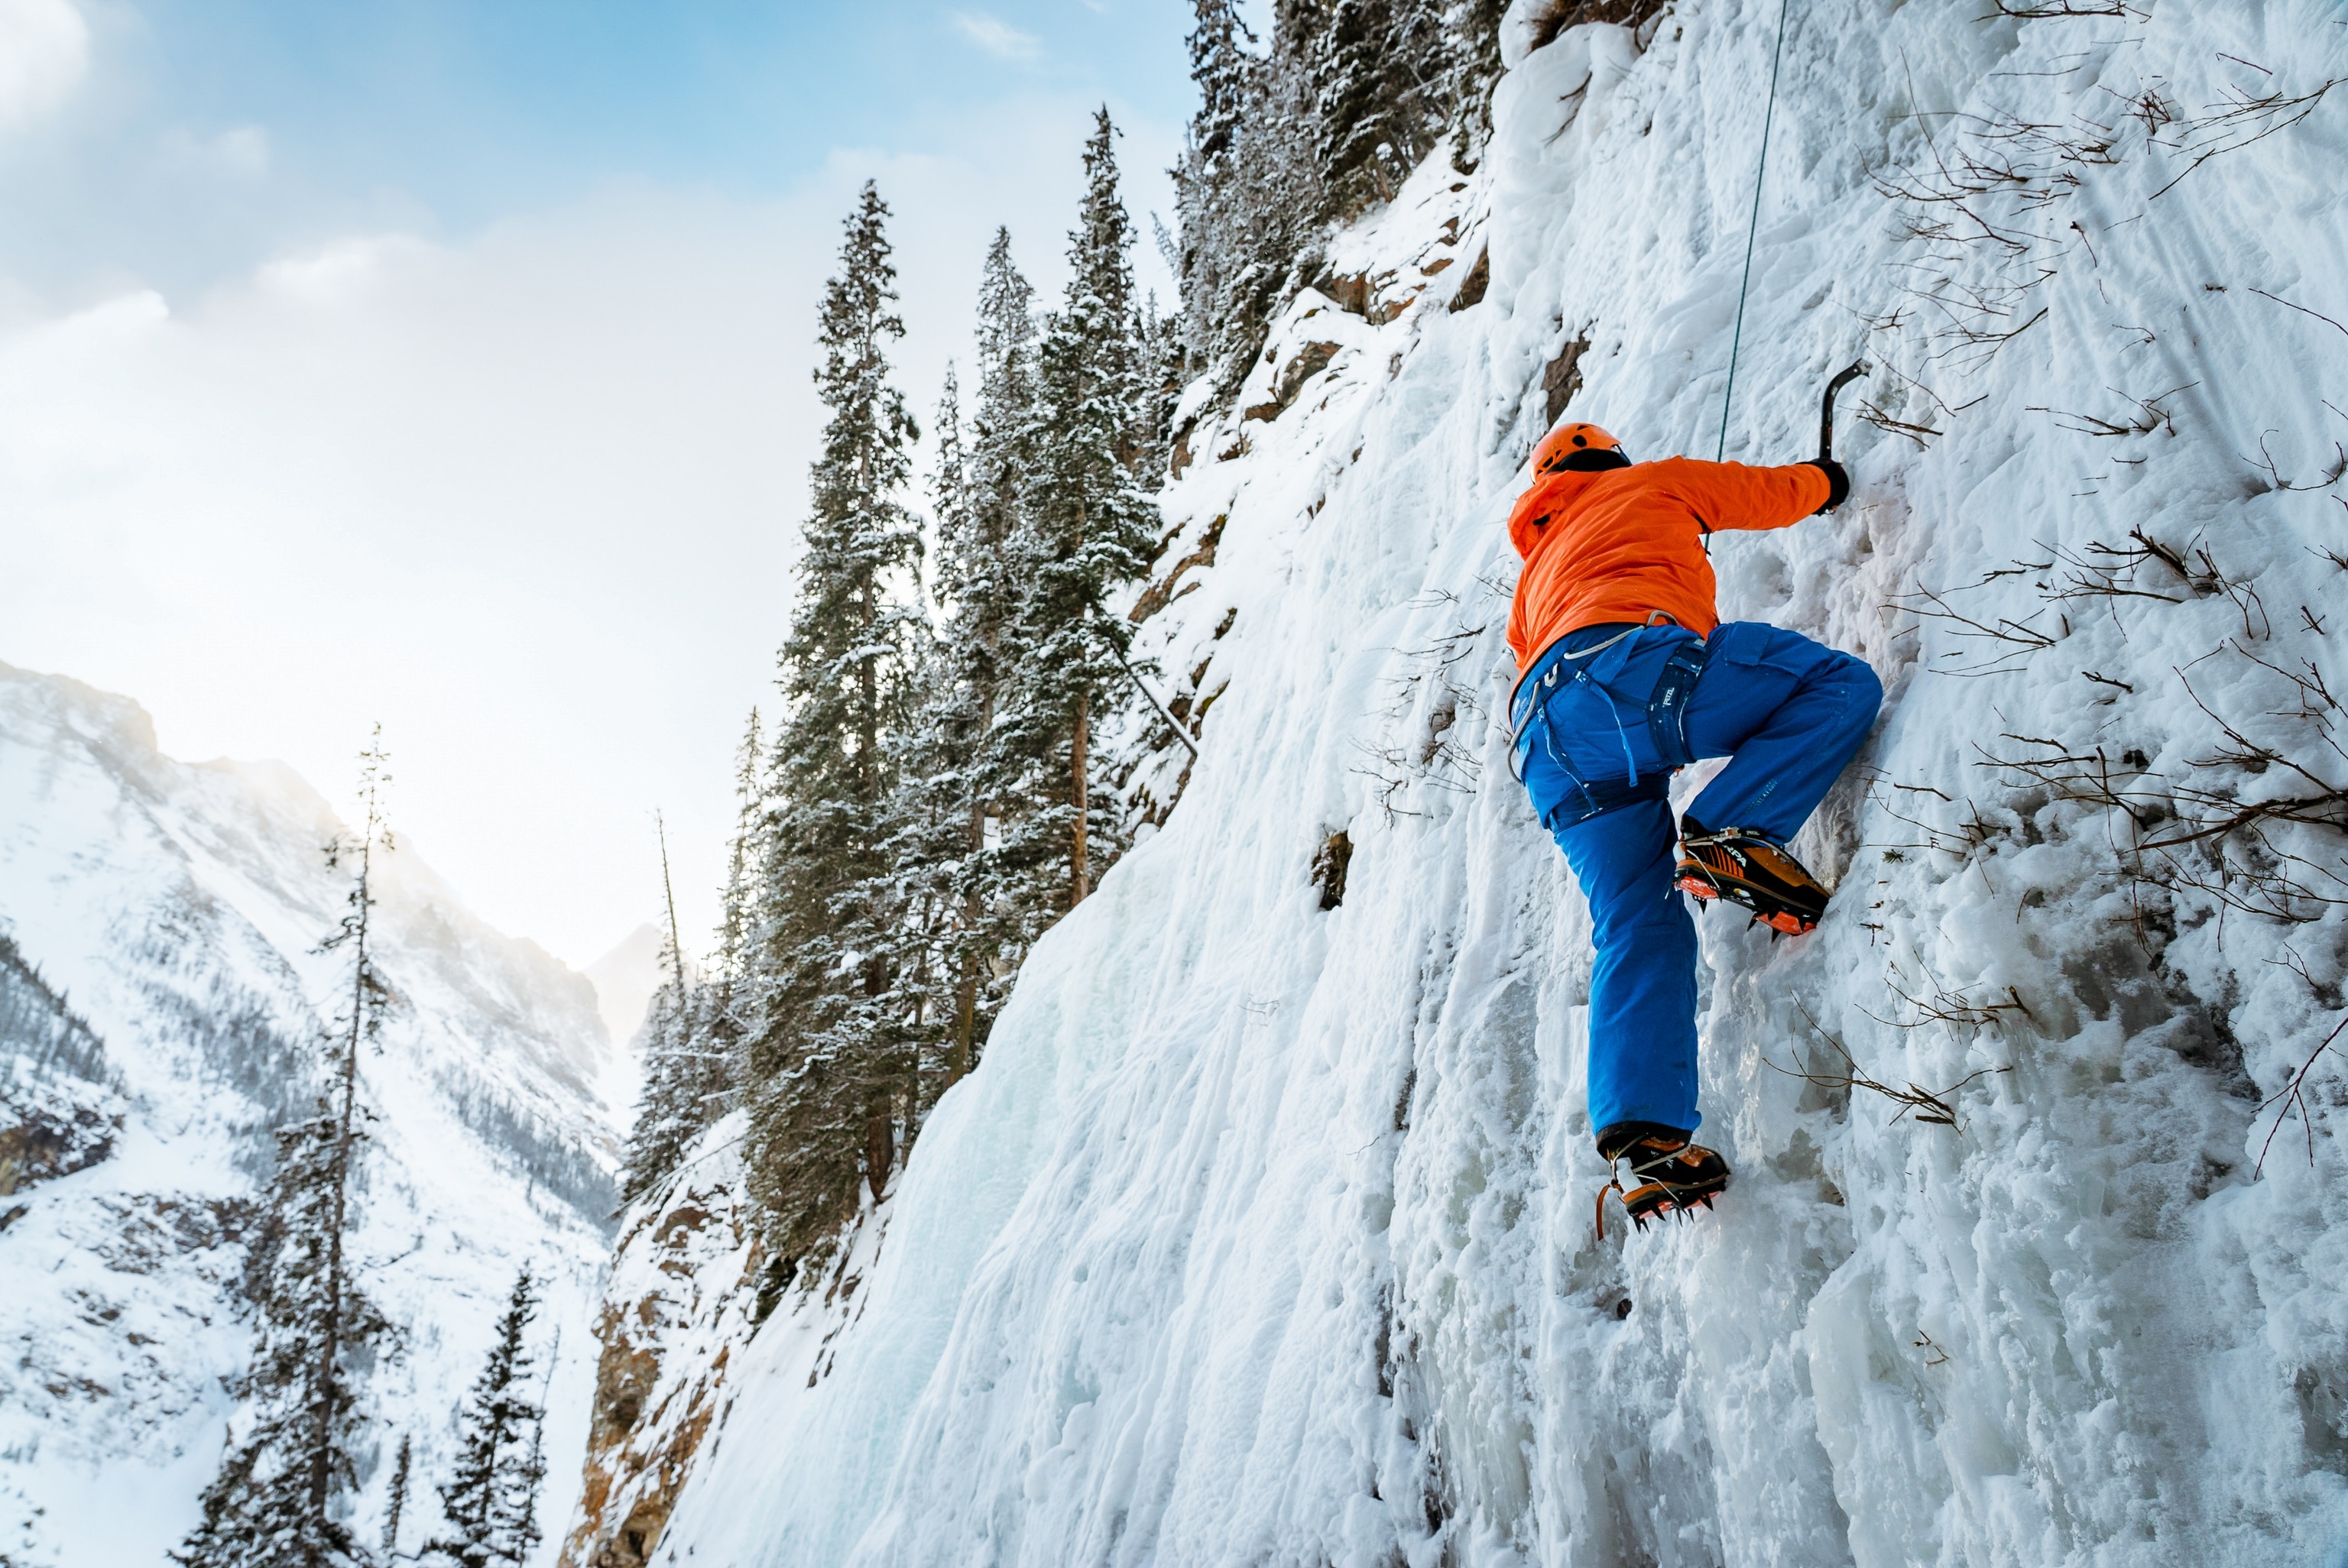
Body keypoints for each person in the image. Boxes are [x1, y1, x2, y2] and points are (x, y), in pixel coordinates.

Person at [1506, 420, 1881, 1232]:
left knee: (1637, 925)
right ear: (1612, 463)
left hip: (1545, 742)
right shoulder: (1649, 484)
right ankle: (1735, 833)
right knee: (1837, 686)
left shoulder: (1534, 574)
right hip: (1627, 675)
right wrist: (1827, 481)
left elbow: (1531, 655)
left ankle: (1644, 1135)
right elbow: (1764, 494)